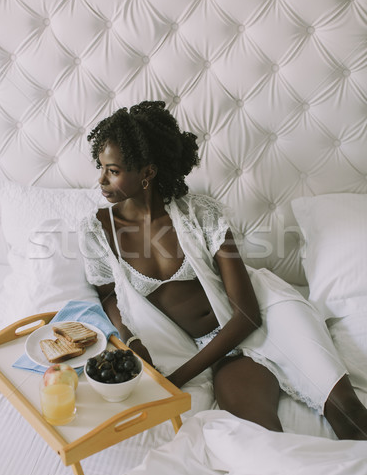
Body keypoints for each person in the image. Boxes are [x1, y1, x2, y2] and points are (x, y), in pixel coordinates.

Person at [79, 100, 367, 439]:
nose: (100, 180)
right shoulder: (97, 230)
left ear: (147, 172)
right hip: (211, 350)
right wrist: (132, 338)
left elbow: (248, 314)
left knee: (348, 411)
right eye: (100, 167)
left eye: (112, 170)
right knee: (261, 435)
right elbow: (109, 293)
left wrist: (176, 380)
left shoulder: (201, 214)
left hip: (266, 315)